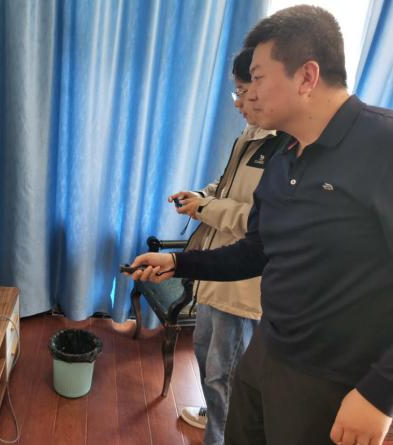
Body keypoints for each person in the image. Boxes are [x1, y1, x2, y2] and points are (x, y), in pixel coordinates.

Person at [129, 5, 393, 444]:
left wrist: (380, 393)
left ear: (306, 76)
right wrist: (178, 263)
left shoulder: (382, 145)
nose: (248, 93)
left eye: (257, 76)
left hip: (334, 378)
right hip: (266, 350)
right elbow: (257, 250)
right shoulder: (283, 156)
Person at [170, 47, 290, 445]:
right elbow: (227, 189)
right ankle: (216, 422)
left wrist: (205, 208)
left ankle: (222, 436)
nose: (238, 102)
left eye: (243, 91)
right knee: (206, 356)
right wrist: (201, 196)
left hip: (242, 283)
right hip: (216, 269)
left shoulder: (284, 146)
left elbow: (259, 221)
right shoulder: (250, 135)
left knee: (227, 374)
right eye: (235, 92)